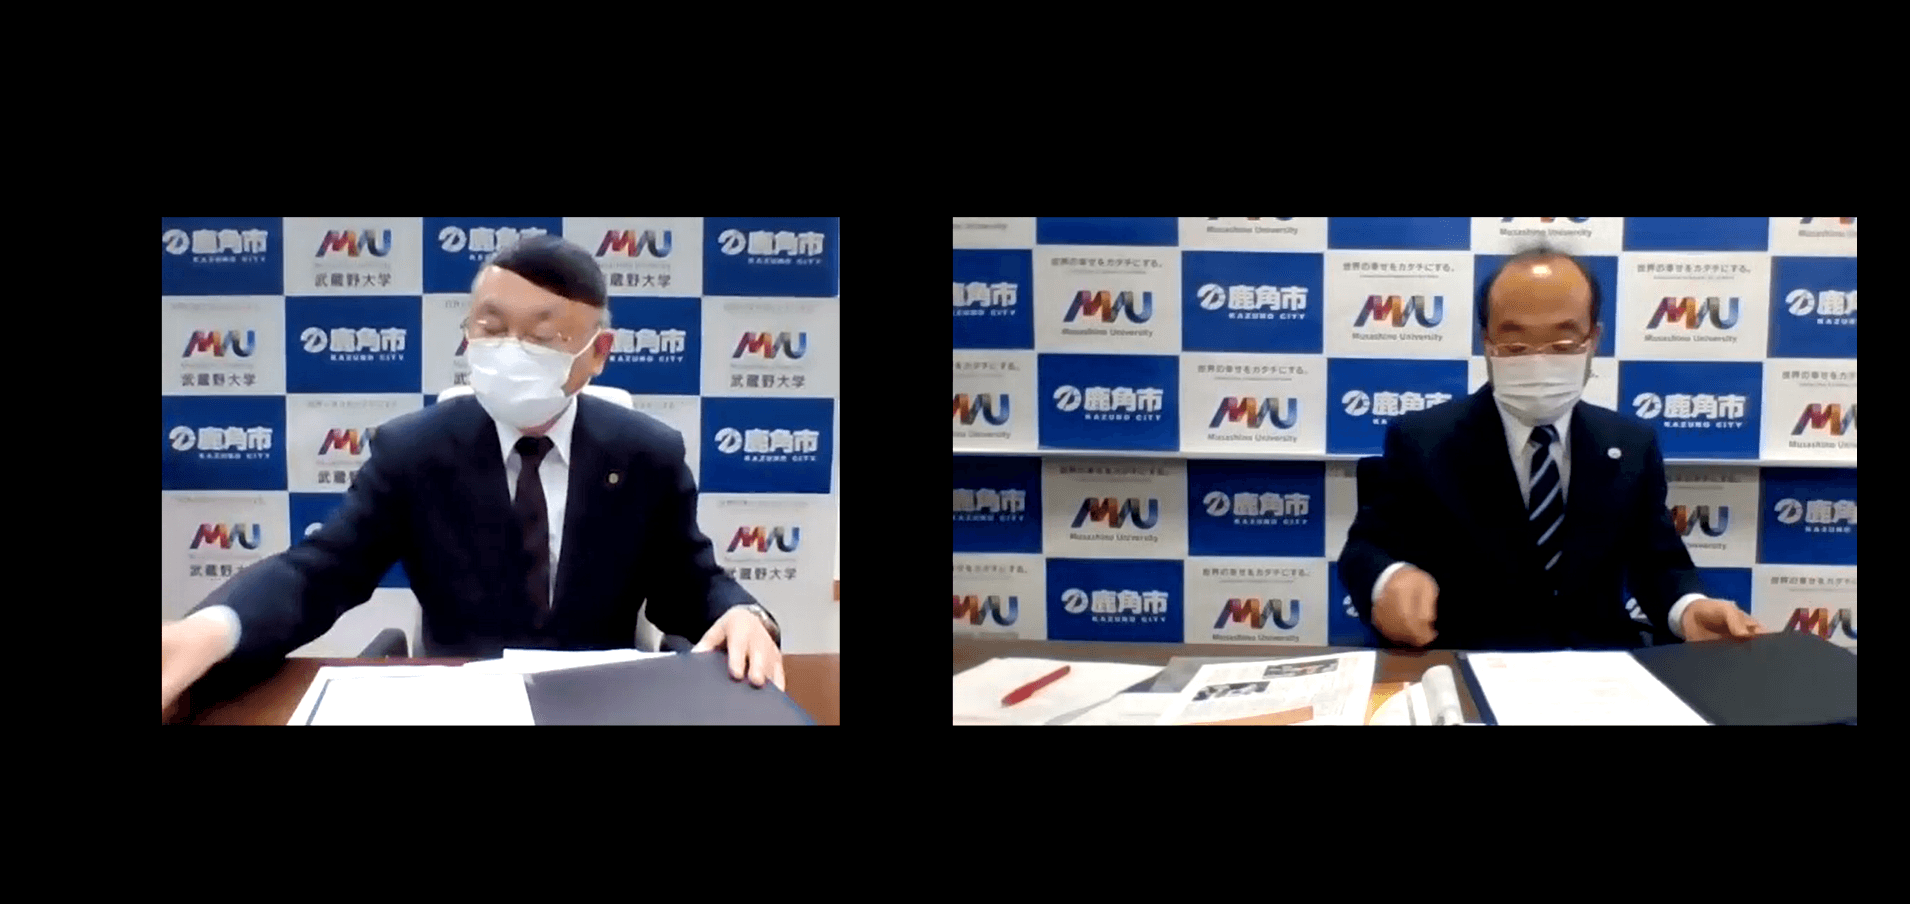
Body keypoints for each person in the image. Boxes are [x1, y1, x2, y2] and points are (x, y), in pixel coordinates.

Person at [161, 235, 784, 719]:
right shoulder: (413, 450)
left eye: (543, 336)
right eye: (491, 328)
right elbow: (322, 570)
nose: (510, 349)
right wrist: (211, 631)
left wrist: (744, 615)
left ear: (598, 353)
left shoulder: (647, 453)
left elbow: (688, 584)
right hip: (458, 704)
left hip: (601, 703)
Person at [1339, 244, 1766, 651]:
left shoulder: (1630, 444)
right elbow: (1366, 549)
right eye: (1515, 345)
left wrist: (1689, 608)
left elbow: (1658, 564)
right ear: (1487, 342)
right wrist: (1389, 578)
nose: (1539, 359)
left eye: (1562, 345)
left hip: (1599, 670)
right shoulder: (1424, 440)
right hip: (1469, 662)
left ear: (1593, 340)